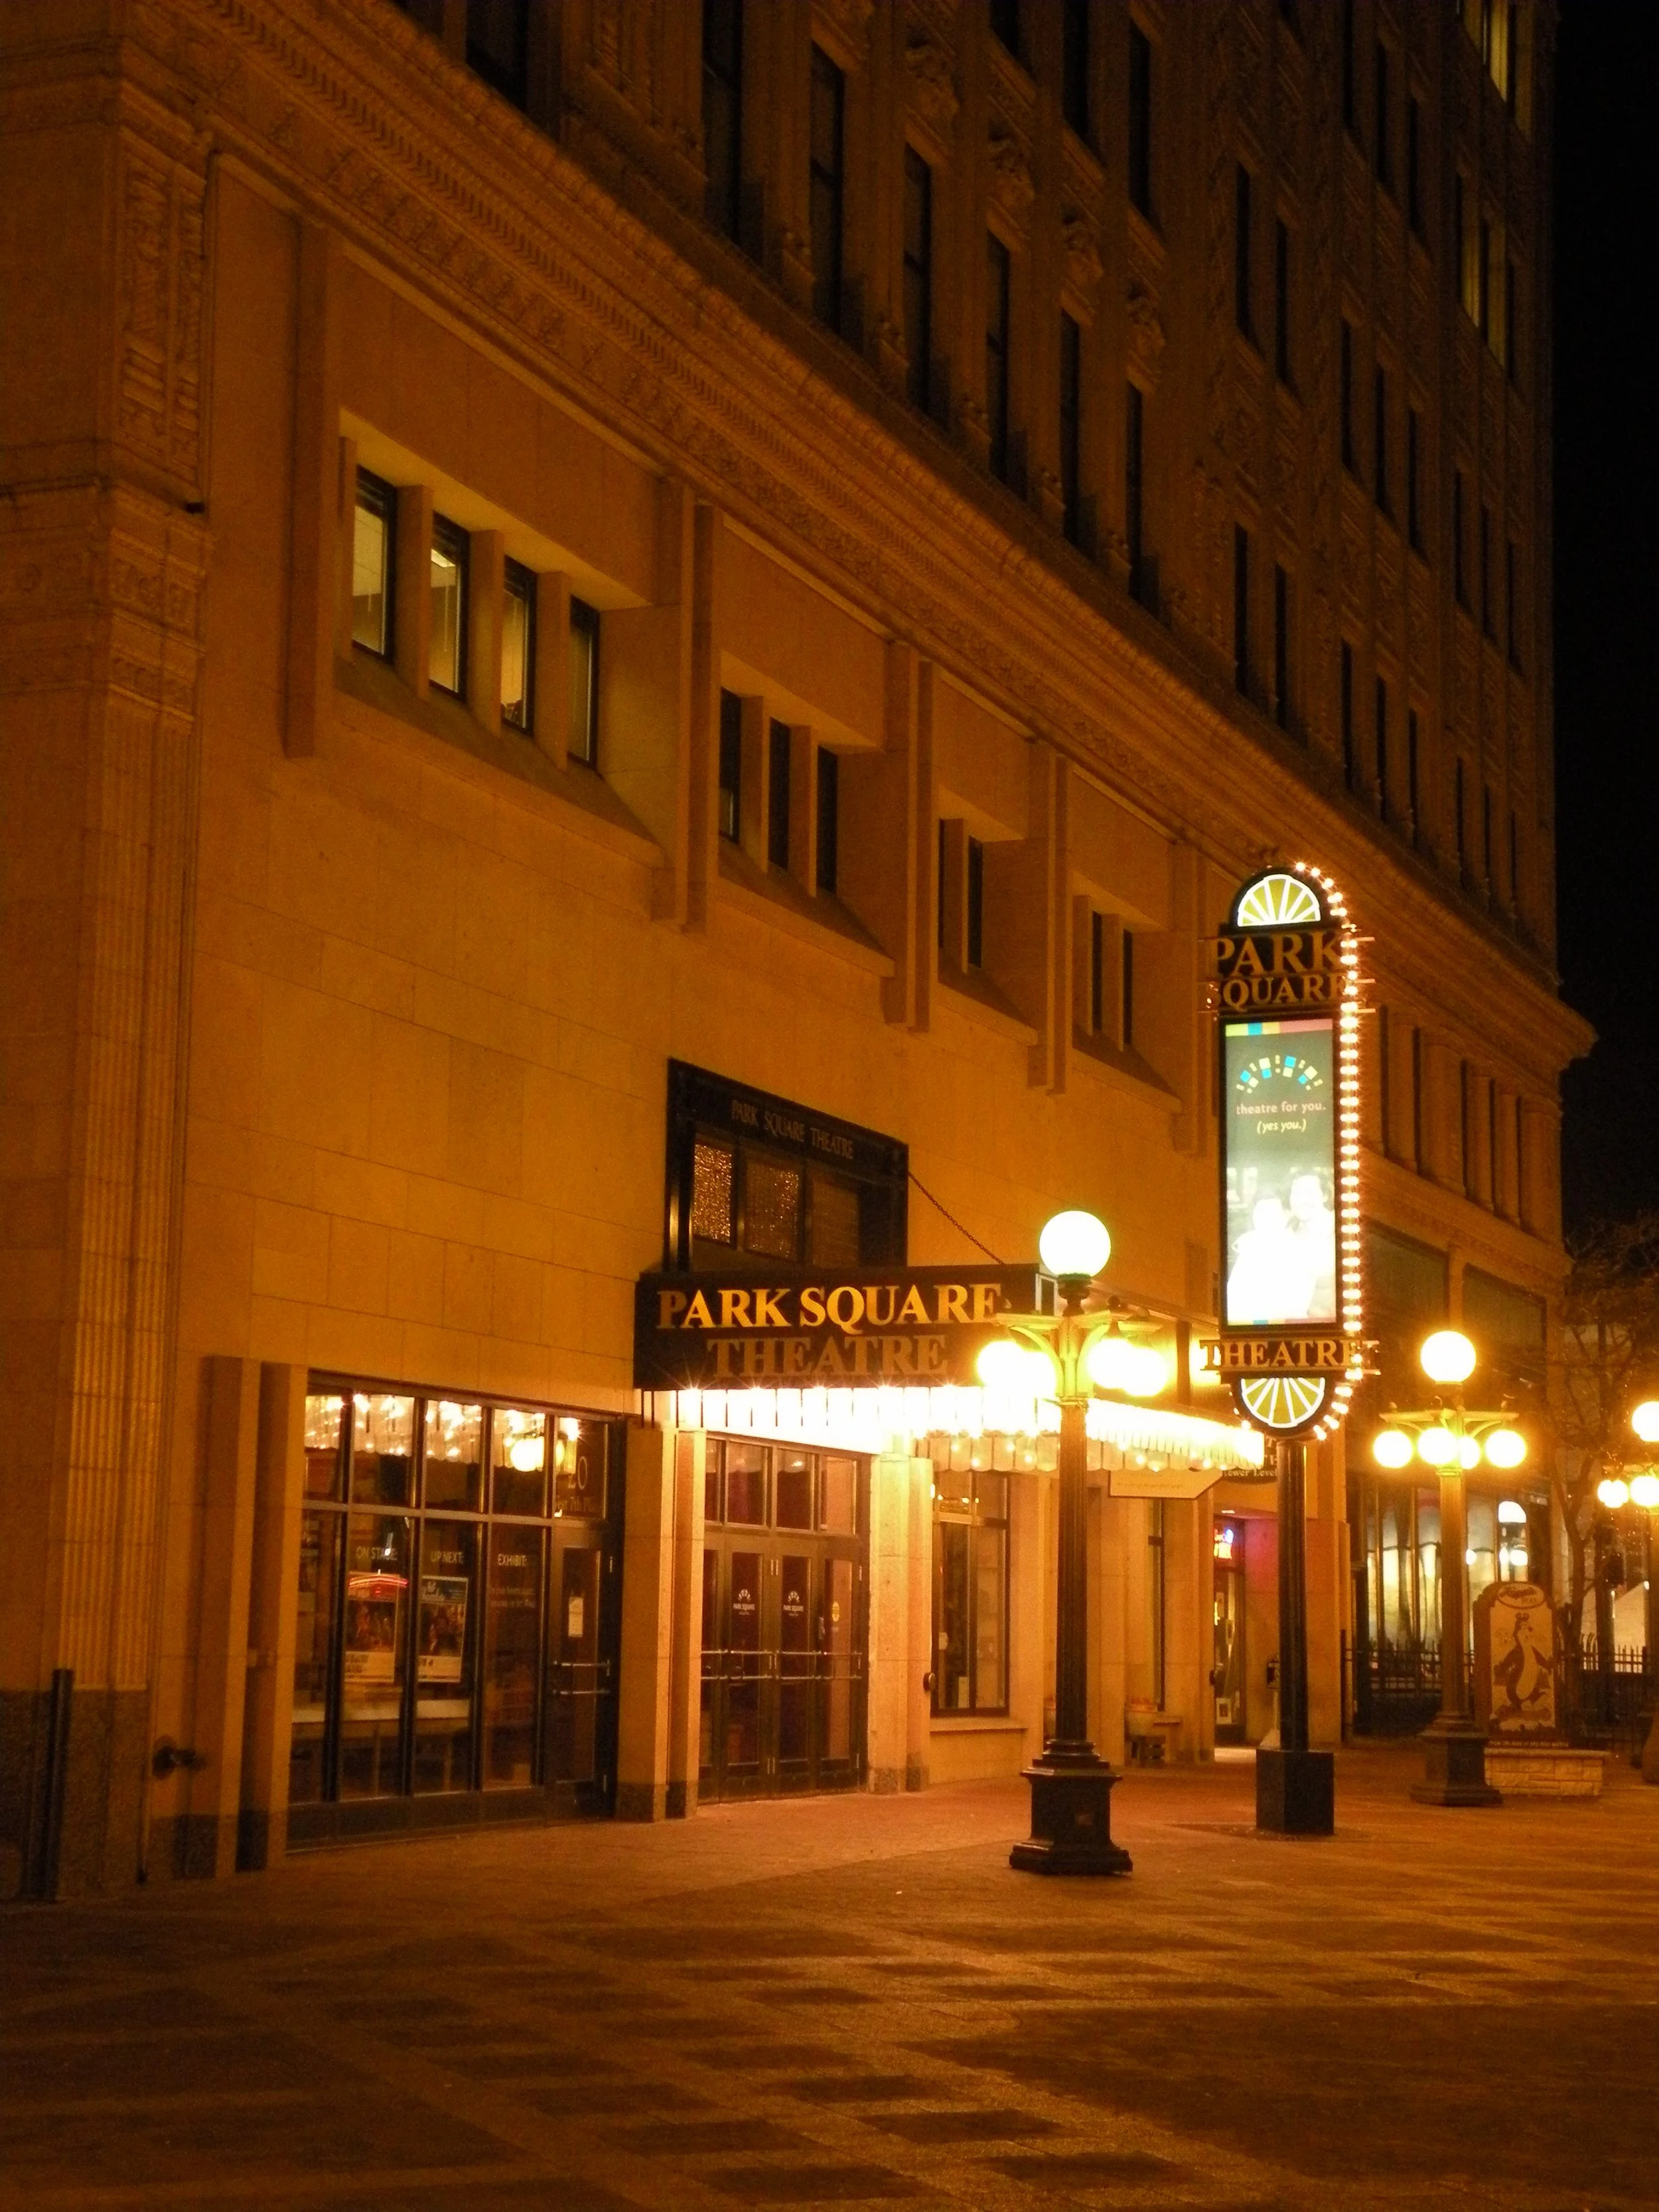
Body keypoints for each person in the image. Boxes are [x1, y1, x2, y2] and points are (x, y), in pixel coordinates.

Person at [1226, 1194, 1315, 1323]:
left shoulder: (1299, 1253)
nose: (1265, 1219)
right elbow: (1233, 1302)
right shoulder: (1247, 1248)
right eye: (1260, 1212)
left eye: (1272, 1213)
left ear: (1286, 1216)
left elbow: (1296, 1307)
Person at [1287, 1171, 1337, 1321]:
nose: (1301, 1199)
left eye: (1308, 1192)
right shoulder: (1288, 1231)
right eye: (1296, 1193)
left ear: (1325, 1196)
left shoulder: (1338, 1229)